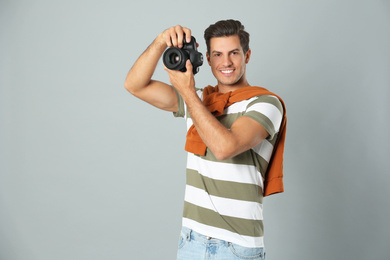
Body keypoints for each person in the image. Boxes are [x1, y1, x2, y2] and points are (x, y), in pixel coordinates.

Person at [124, 19, 286, 260]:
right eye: (218, 54)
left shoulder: (265, 103)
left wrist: (188, 92)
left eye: (234, 53)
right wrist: (161, 41)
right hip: (191, 240)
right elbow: (135, 85)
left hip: (237, 247)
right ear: (208, 59)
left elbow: (224, 148)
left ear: (247, 55)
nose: (226, 62)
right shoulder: (201, 100)